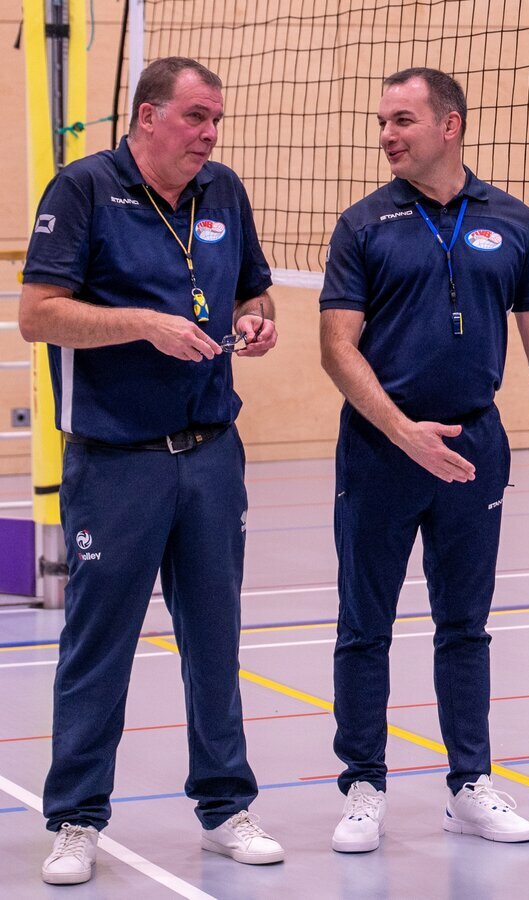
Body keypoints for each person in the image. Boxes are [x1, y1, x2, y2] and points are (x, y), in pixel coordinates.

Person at [319, 67, 529, 852]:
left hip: (476, 445)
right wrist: (401, 430)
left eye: (402, 120)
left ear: (449, 126)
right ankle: (363, 785)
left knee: (465, 625)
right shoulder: (363, 224)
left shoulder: (511, 220)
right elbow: (338, 348)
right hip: (382, 449)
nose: (387, 134)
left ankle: (469, 786)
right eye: (383, 121)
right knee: (364, 624)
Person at [18, 57, 284, 885]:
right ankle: (76, 819)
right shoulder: (84, 190)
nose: (210, 134)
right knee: (98, 645)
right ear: (147, 116)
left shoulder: (223, 191)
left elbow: (254, 293)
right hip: (115, 463)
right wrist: (144, 324)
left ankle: (226, 806)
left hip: (211, 453)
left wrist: (257, 321)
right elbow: (37, 316)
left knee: (215, 638)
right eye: (196, 117)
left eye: (216, 120)